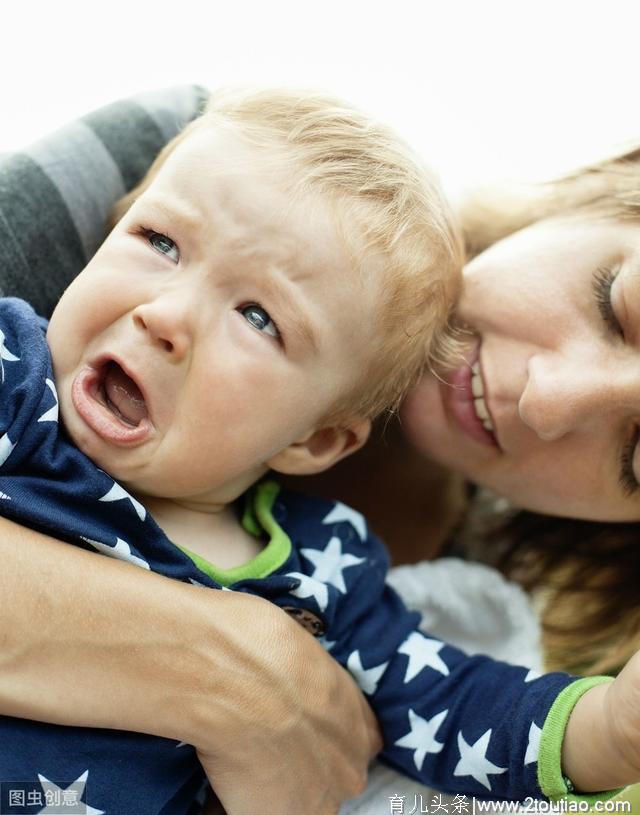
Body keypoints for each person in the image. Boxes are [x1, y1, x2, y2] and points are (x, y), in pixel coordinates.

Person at [0, 89, 638, 814]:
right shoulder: (16, 381)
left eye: (258, 317)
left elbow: (460, 708)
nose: (165, 315)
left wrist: (612, 731)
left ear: (317, 439)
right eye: (160, 242)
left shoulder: (326, 572)